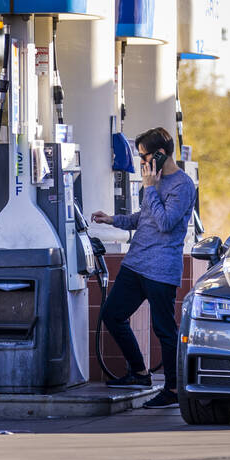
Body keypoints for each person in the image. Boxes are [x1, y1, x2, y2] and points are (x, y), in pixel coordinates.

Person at [91, 127, 196, 409]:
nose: (141, 163)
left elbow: (165, 223)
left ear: (160, 155)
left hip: (161, 268)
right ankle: (138, 373)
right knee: (112, 315)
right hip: (135, 263)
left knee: (163, 329)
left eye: (144, 156)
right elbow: (146, 218)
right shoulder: (152, 182)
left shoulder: (183, 186)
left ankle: (172, 389)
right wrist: (113, 220)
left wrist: (150, 188)